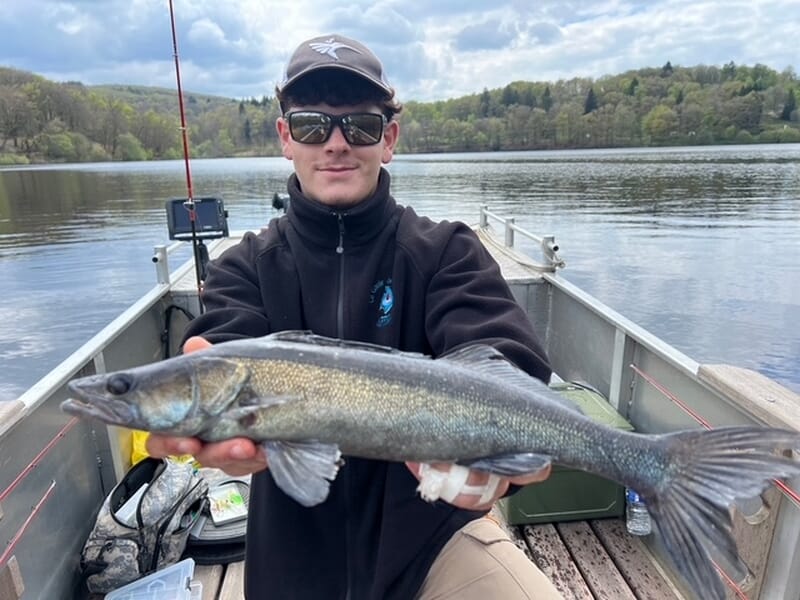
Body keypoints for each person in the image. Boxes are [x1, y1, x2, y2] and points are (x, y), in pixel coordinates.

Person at [147, 34, 563, 600]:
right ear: (285, 138)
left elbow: (503, 356)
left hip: (432, 538)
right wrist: (211, 387)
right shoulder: (244, 267)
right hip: (292, 567)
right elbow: (221, 341)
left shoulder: (446, 252)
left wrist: (503, 449)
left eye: (361, 126)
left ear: (387, 140)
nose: (336, 144)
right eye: (313, 126)